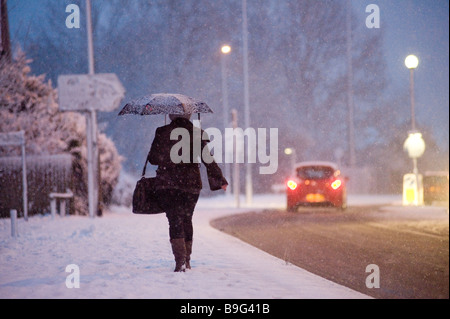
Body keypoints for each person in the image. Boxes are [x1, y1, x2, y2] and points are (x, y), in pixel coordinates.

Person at [148, 113, 228, 272]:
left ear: (170, 116)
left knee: (174, 220)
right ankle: (187, 259)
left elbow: (153, 159)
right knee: (186, 218)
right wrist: (219, 180)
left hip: (168, 185)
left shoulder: (162, 132)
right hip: (190, 185)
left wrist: (166, 149)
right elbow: (207, 159)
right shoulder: (196, 133)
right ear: (189, 115)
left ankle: (180, 261)